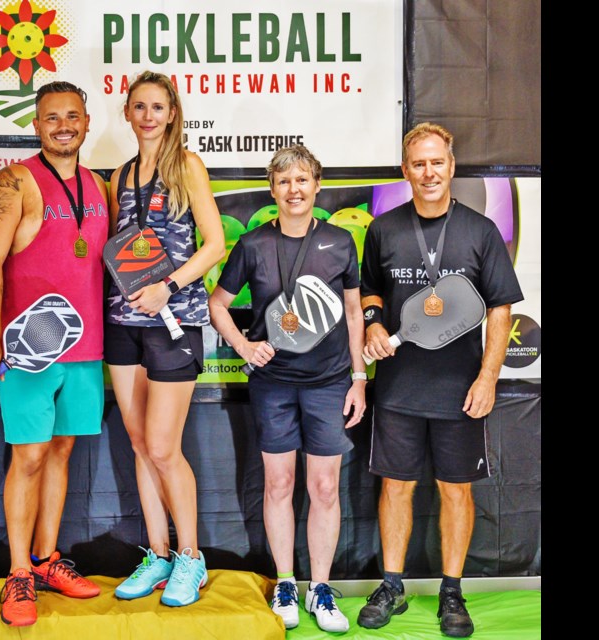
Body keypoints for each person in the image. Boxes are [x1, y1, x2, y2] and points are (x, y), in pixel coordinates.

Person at [357, 123, 523, 638]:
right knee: (396, 487)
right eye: (418, 164)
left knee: (456, 492)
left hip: (460, 390)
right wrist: (374, 322)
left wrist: (488, 376)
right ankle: (392, 586)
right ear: (405, 171)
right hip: (400, 389)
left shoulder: (480, 231)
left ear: (451, 167)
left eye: (437, 162)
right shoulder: (384, 229)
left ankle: (452, 591)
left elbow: (500, 308)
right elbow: (369, 293)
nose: (428, 172)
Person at [0, 81, 109, 627]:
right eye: (52, 117)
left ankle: (49, 559)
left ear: (87, 121)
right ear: (36, 124)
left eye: (72, 116)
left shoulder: (100, 185)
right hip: (27, 350)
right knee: (28, 456)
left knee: (61, 451)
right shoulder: (13, 182)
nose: (63, 125)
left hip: (86, 345)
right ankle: (19, 572)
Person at [209, 145, 365, 632]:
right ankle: (284, 582)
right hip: (273, 386)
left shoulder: (341, 242)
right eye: (283, 182)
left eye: (302, 180)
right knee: (278, 484)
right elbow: (218, 304)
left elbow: (356, 312)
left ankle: (319, 588)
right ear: (272, 189)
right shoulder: (253, 244)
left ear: (317, 186)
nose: (293, 190)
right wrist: (242, 345)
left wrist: (358, 378)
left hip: (329, 382)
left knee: (323, 487)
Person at [105, 71, 225, 607]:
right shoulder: (119, 175)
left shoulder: (188, 166)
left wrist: (167, 286)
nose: (149, 115)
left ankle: (191, 559)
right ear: (127, 114)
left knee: (162, 445)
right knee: (137, 443)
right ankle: (157, 554)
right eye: (139, 106)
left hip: (174, 320)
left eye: (158, 106)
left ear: (173, 113)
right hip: (122, 321)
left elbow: (215, 245)